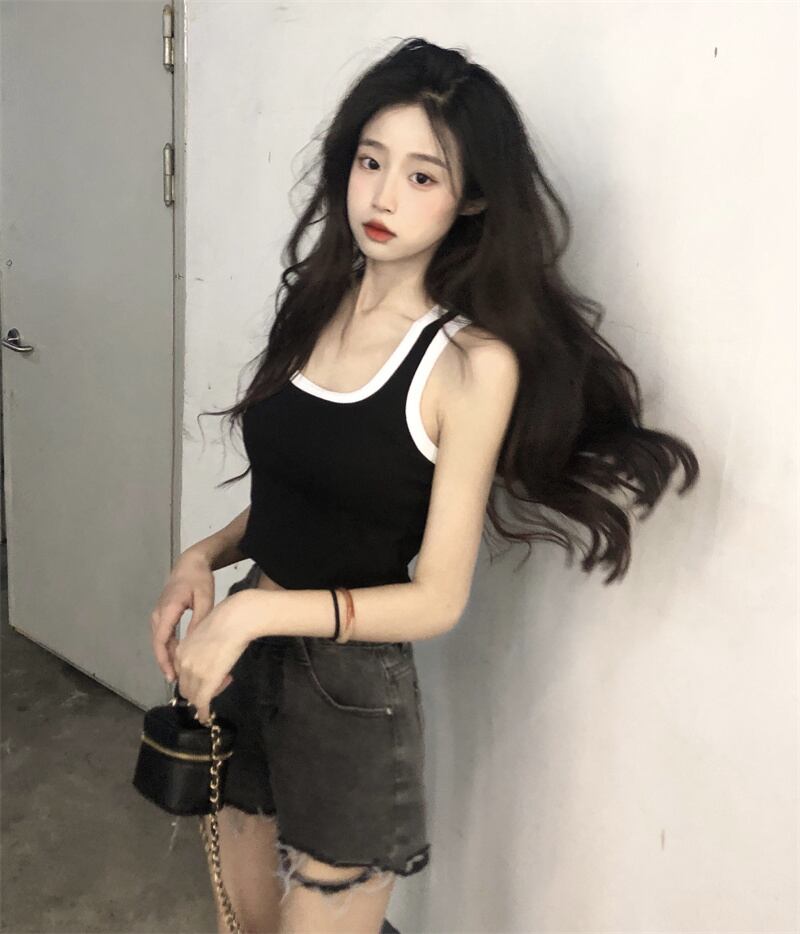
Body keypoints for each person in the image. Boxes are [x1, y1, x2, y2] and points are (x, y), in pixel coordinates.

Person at [148, 37, 699, 934]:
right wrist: (201, 557)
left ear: (471, 197)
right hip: (246, 658)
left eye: (422, 176)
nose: (383, 197)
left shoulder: (470, 365)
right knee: (240, 926)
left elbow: (437, 597)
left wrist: (254, 615)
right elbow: (303, 495)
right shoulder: (316, 303)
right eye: (371, 162)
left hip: (347, 693)